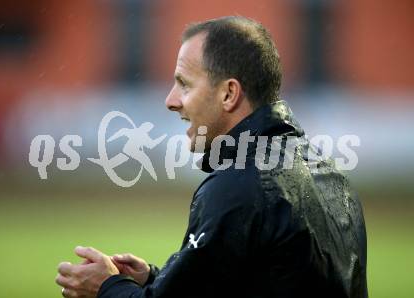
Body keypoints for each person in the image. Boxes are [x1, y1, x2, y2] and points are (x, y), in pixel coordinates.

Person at [56, 16, 368, 298]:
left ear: (229, 94)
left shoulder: (240, 185)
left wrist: (107, 288)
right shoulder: (333, 177)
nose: (171, 101)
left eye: (184, 84)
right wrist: (157, 279)